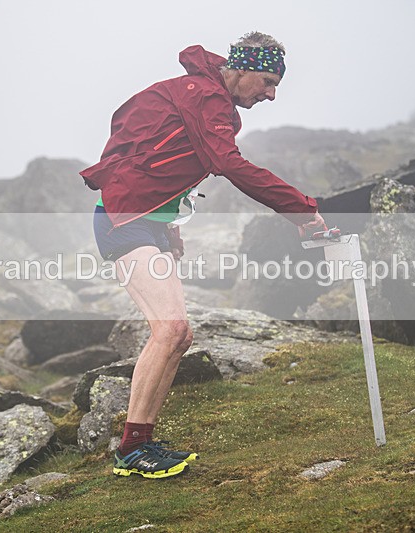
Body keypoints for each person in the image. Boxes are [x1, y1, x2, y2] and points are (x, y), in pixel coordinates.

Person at [81, 31, 326, 479]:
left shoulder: (198, 93)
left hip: (142, 221)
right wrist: (300, 209)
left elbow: (151, 153)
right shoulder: (206, 97)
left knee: (178, 335)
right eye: (268, 82)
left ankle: (140, 443)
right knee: (170, 329)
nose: (271, 95)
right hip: (122, 222)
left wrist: (167, 219)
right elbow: (228, 164)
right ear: (244, 68)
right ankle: (132, 451)